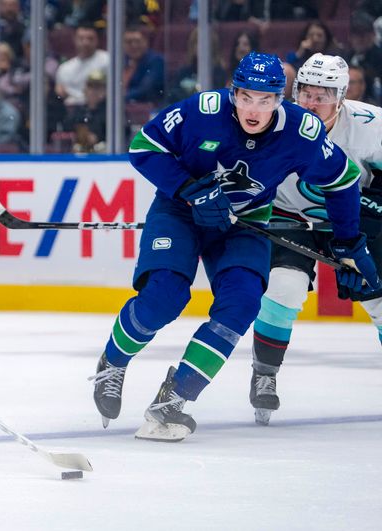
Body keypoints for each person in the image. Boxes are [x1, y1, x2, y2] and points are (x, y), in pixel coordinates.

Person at [89, 52, 380, 442]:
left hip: (246, 223)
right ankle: (114, 362)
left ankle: (173, 399)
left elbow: (343, 180)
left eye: (265, 99)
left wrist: (348, 241)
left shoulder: (301, 131)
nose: (254, 109)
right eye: (246, 97)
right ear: (233, 93)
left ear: (280, 99)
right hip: (180, 212)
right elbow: (144, 146)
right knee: (164, 297)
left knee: (241, 305)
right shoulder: (203, 110)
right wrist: (190, 189)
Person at [250, 53, 382, 425]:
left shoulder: (370, 125)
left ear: (341, 96)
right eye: (305, 92)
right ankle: (264, 372)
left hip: (353, 225)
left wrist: (370, 219)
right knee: (284, 288)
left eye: (322, 94)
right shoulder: (273, 122)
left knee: (379, 298)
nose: (311, 102)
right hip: (289, 216)